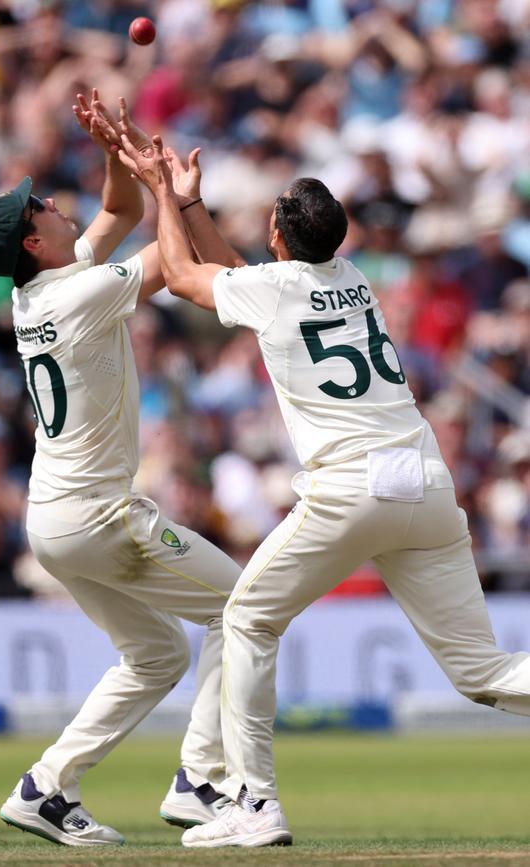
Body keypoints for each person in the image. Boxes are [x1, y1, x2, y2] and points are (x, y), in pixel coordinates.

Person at [118, 133, 530, 849]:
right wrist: (189, 200)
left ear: (278, 233)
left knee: (245, 619)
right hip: (425, 483)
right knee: (482, 670)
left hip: (352, 488)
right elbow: (241, 273)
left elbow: (188, 275)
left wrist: (160, 190)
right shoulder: (353, 278)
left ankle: (254, 801)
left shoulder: (277, 289)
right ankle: (247, 796)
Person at [0, 92, 241, 847]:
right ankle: (201, 778)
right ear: (33, 243)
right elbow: (166, 256)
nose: (54, 205)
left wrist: (111, 150)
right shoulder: (82, 292)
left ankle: (47, 788)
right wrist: (169, 186)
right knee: (241, 606)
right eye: (41, 208)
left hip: (54, 522)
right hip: (99, 515)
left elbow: (115, 216)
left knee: (155, 653)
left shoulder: (46, 289)